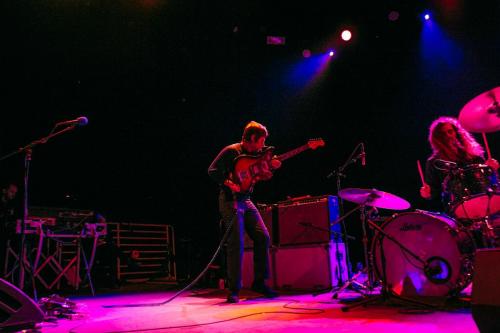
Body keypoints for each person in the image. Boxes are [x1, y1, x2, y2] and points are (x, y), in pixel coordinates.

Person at [208, 121, 281, 303]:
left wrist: (266, 172)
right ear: (253, 138)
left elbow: (253, 176)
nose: (263, 145)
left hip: (245, 200)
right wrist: (229, 182)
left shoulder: (255, 155)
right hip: (229, 200)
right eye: (261, 141)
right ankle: (233, 290)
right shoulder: (231, 151)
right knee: (236, 243)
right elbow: (212, 170)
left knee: (262, 237)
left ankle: (259, 282)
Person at [420, 116, 499, 211]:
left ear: (456, 133)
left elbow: (489, 180)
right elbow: (434, 191)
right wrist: (427, 194)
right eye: (442, 134)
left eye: (450, 132)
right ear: (437, 138)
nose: (448, 136)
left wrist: (492, 169)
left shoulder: (473, 155)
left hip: (484, 201)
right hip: (458, 208)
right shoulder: (435, 162)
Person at [0, 183, 19, 277]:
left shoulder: (11, 204)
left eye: (15, 193)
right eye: (11, 192)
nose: (13, 195)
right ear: (4, 191)